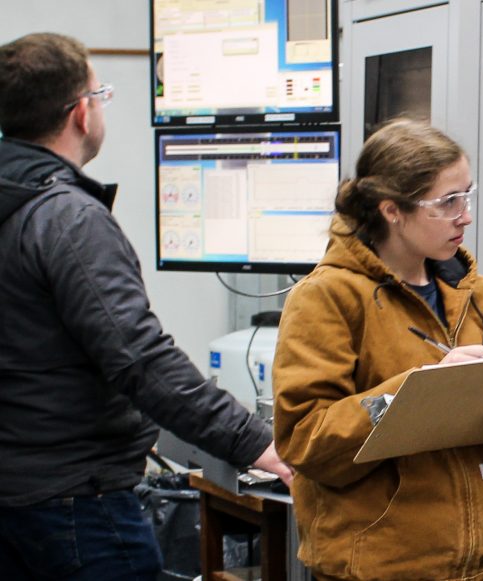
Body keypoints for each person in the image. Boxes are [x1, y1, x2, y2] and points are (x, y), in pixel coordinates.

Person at [0, 32, 293, 578]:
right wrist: (257, 442)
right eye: (100, 93)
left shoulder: (15, 201)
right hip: (76, 502)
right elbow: (140, 360)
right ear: (81, 114)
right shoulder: (67, 218)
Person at [273, 118, 483, 580]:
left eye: (467, 195)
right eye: (448, 202)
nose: (464, 214)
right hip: (381, 571)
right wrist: (415, 393)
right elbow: (306, 442)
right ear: (392, 211)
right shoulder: (327, 298)